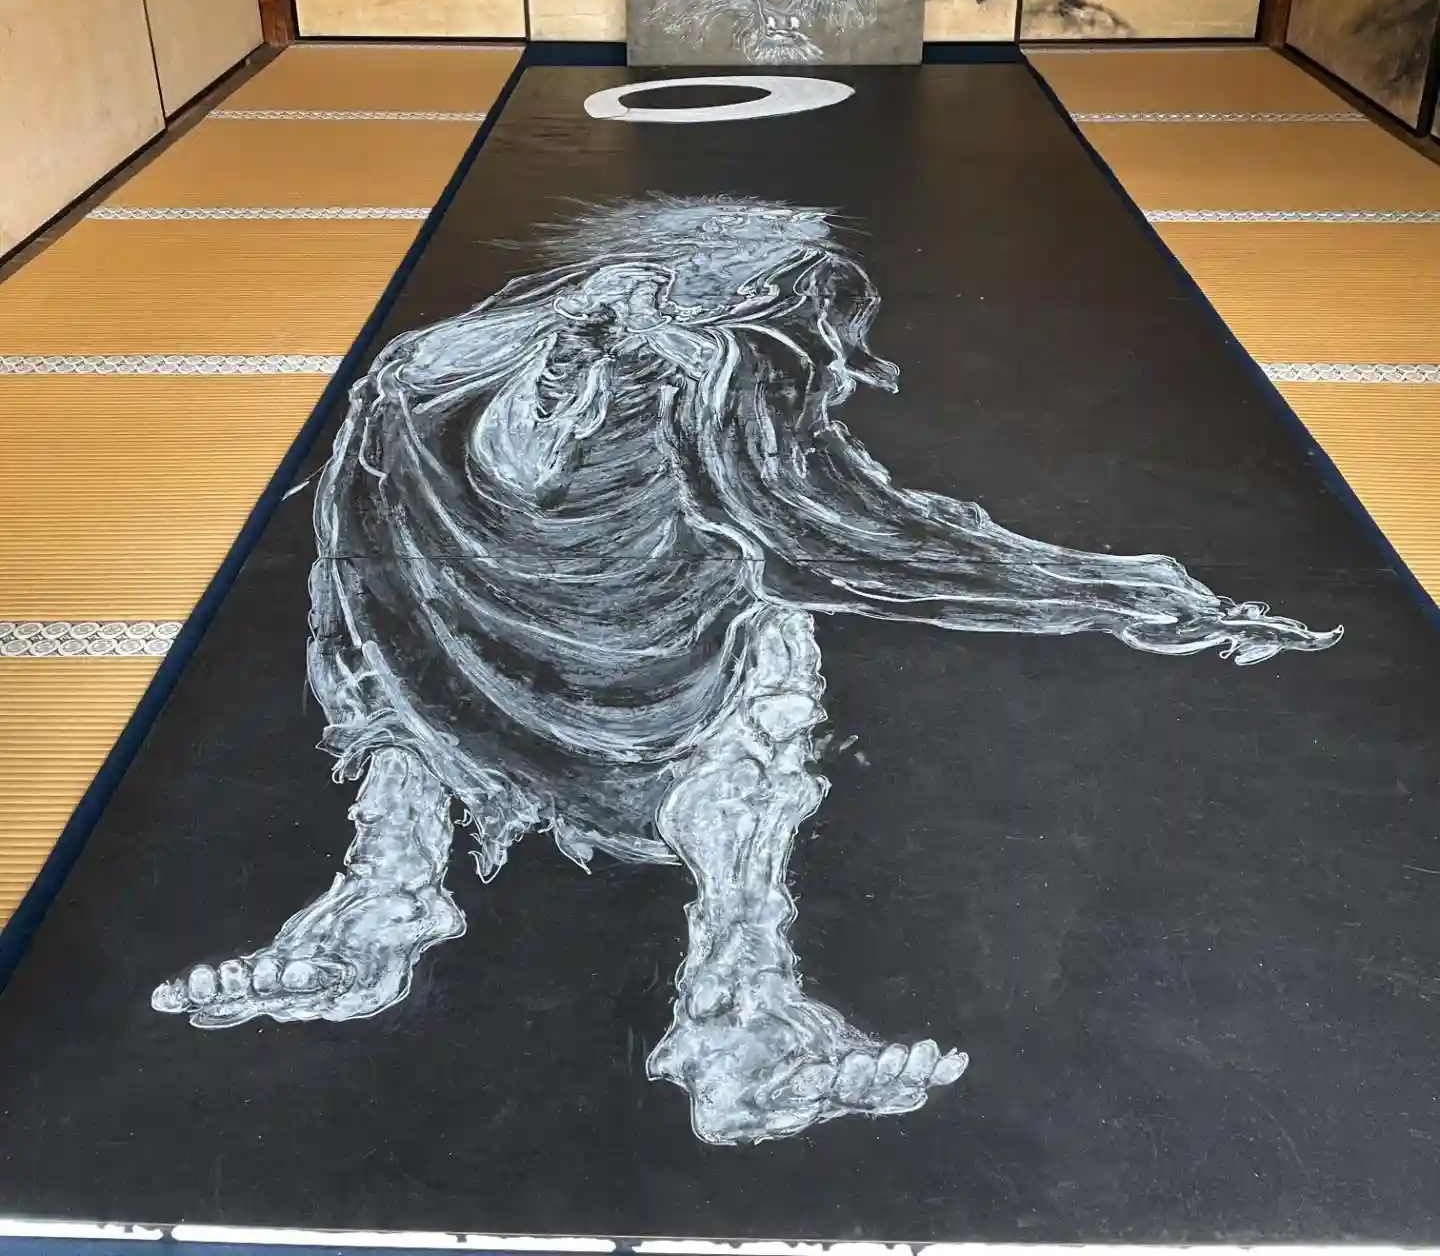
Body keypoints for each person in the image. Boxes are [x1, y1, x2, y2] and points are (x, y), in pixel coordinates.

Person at [153, 196, 1339, 1147]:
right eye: (833, 341)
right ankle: (693, 992)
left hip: (542, 595)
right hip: (500, 590)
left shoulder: (453, 369)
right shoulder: (711, 362)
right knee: (749, 661)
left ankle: (611, 963)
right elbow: (862, 537)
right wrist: (1121, 592)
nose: (844, 367)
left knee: (627, 674)